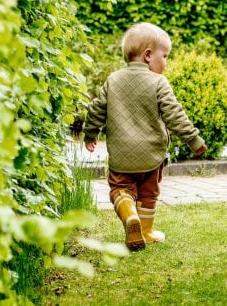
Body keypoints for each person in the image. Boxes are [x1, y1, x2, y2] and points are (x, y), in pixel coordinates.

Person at [83, 23, 207, 251]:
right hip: (151, 155)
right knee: (149, 194)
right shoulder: (159, 82)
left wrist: (90, 133)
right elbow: (175, 115)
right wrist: (193, 139)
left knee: (121, 190)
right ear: (148, 55)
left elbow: (96, 109)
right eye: (165, 56)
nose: (166, 62)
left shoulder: (113, 80)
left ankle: (129, 216)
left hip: (122, 156)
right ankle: (146, 231)